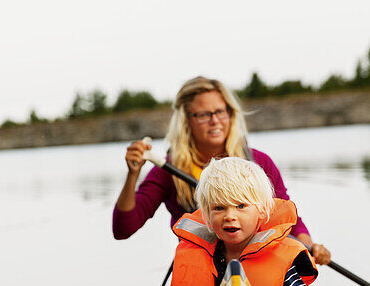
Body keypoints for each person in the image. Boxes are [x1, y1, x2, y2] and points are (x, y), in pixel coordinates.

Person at [120, 158, 347, 286]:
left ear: (261, 212)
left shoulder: (277, 258)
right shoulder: (204, 257)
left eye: (240, 206)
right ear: (207, 216)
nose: (230, 216)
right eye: (219, 208)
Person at [113, 75, 332, 263]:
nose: (215, 120)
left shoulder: (258, 162)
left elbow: (288, 218)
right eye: (203, 114)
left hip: (257, 269)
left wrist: (308, 247)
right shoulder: (168, 171)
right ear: (186, 121)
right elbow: (123, 229)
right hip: (203, 276)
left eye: (221, 111)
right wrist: (133, 174)